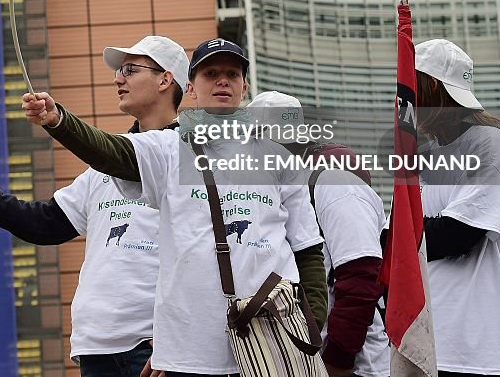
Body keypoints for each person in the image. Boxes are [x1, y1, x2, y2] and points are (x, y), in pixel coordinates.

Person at [24, 38, 327, 377]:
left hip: (271, 343)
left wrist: (310, 323)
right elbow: (111, 151)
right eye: (211, 73)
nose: (222, 81)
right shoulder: (168, 147)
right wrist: (59, 121)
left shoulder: (278, 156)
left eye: (232, 73)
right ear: (192, 87)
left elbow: (307, 248)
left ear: (244, 86)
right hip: (191, 353)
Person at [0, 36, 188, 377]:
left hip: (153, 352)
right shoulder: (101, 171)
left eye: (130, 69)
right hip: (97, 349)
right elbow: (43, 223)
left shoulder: (189, 156)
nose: (118, 78)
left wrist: (183, 346)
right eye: (119, 70)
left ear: (166, 80)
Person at [412, 39, 500, 377]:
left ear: (433, 89)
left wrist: (404, 235)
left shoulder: (493, 145)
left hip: (490, 357)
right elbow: (393, 238)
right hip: (431, 349)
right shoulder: (423, 157)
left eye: (412, 87)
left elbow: (459, 234)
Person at [248, 91, 389, 377]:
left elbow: (362, 279)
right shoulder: (281, 193)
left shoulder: (334, 182)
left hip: (351, 367)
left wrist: (337, 361)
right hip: (298, 359)